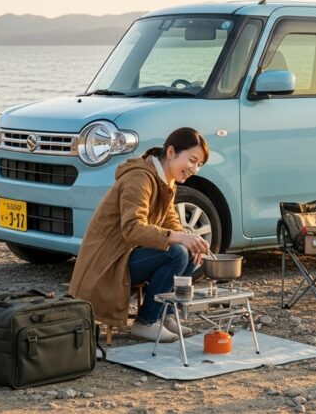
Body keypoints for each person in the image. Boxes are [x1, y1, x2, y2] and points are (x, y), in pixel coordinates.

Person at [69, 127, 211, 342]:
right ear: (171, 152)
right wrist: (181, 239)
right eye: (192, 160)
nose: (195, 169)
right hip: (108, 262)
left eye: (199, 164)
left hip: (128, 255)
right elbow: (132, 229)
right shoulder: (140, 178)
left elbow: (171, 222)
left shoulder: (166, 181)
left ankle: (165, 314)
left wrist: (189, 239)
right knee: (177, 253)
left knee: (189, 251)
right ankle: (146, 322)